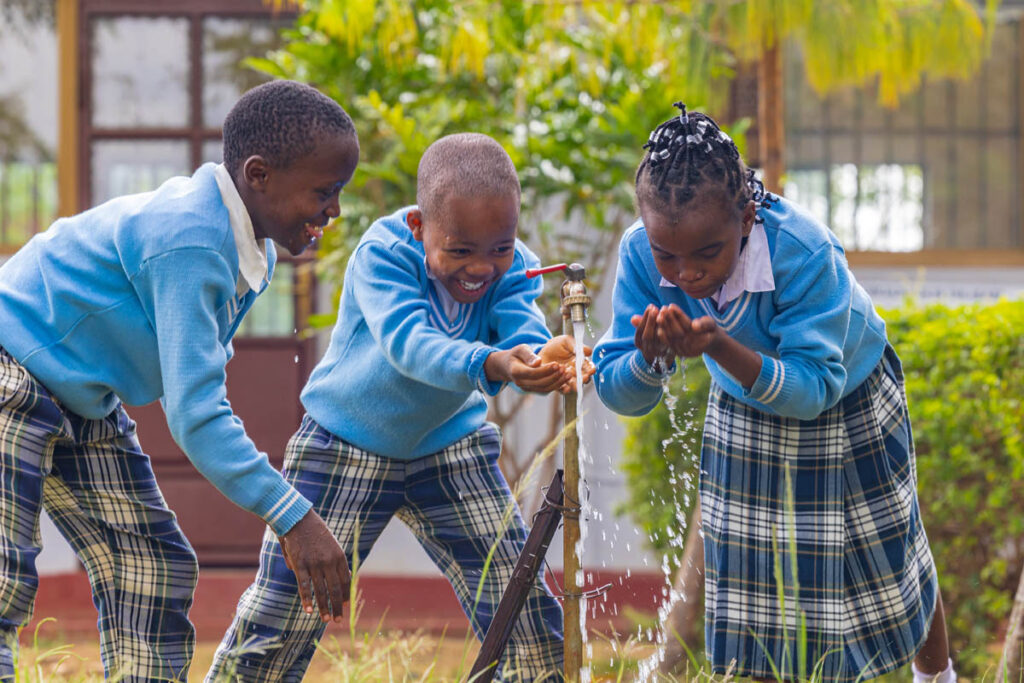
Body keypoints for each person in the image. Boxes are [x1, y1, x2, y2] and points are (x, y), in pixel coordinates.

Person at [0, 80, 360, 681]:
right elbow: (196, 415)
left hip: (81, 396)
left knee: (153, 564)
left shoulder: (252, 249)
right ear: (258, 175)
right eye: (324, 192)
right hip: (12, 367)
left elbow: (193, 378)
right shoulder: (191, 237)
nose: (334, 211)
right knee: (4, 574)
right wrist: (294, 516)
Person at [208, 132, 590, 682]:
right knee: (279, 621)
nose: (482, 268)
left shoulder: (513, 265)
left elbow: (520, 332)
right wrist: (501, 363)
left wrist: (540, 357)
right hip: (344, 446)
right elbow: (409, 345)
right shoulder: (384, 254)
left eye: (499, 248)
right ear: (419, 226)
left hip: (450, 447)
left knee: (528, 618)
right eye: (459, 250)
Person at [593, 103, 954, 683]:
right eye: (669, 255)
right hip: (745, 398)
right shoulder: (641, 252)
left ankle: (937, 676)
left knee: (891, 553)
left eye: (706, 252)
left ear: (745, 217)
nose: (685, 274)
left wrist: (717, 346)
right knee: (752, 584)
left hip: (849, 391)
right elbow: (620, 393)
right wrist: (649, 359)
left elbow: (814, 388)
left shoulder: (804, 251)